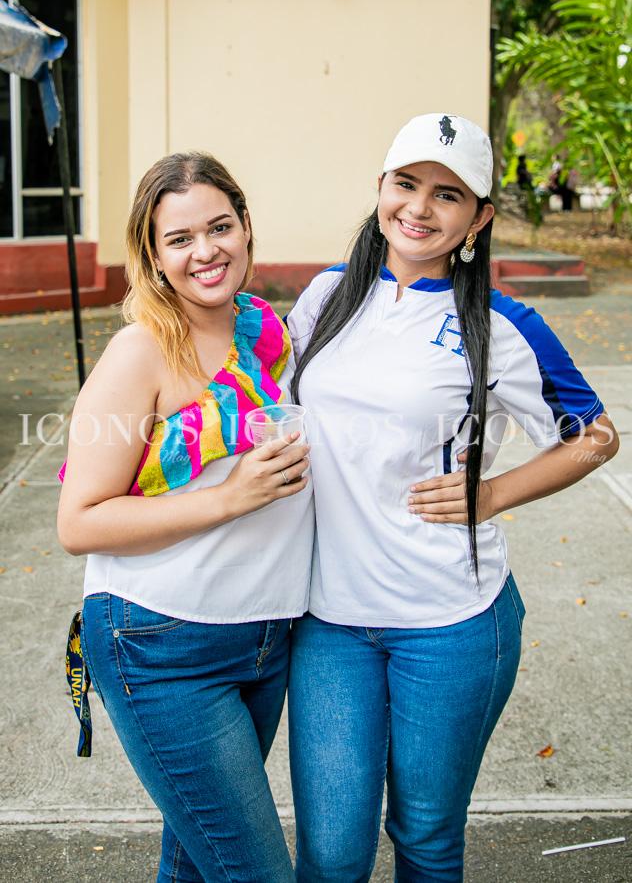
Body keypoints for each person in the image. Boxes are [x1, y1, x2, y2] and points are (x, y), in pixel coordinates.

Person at [285, 113, 618, 883]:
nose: (420, 208)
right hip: (328, 620)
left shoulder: (504, 325)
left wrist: (492, 492)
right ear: (380, 190)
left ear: (480, 218)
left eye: (448, 194)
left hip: (451, 621)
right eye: (406, 185)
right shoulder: (325, 297)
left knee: (426, 839)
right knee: (331, 855)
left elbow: (595, 435)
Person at [57, 151, 314, 883]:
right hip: (160, 644)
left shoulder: (271, 335)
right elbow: (78, 523)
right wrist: (228, 498)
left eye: (220, 227)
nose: (206, 251)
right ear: (154, 255)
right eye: (180, 238)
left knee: (198, 863)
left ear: (245, 229)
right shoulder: (139, 352)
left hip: (266, 638)